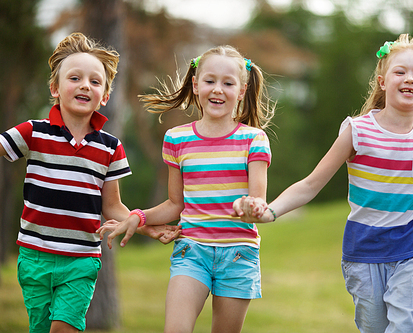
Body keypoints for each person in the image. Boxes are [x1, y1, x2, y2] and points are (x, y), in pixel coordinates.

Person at [233, 34, 413, 333]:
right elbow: (310, 184)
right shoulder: (357, 131)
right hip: (364, 252)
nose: (409, 78)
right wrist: (271, 211)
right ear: (383, 81)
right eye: (400, 71)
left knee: (404, 327)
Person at [0, 32, 179, 333]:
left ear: (105, 95)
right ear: (55, 88)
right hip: (35, 256)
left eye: (95, 82)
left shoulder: (110, 147)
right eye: (75, 78)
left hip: (81, 260)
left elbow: (112, 207)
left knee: (64, 328)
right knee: (41, 329)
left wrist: (148, 227)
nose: (85, 85)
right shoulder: (33, 132)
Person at [98, 45, 275, 333]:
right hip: (192, 252)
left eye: (228, 83)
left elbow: (258, 201)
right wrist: (138, 218)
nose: (218, 89)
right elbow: (174, 204)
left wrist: (251, 205)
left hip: (238, 254)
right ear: (195, 85)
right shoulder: (176, 139)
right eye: (209, 81)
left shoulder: (254, 139)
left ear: (241, 91)